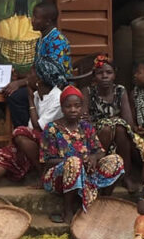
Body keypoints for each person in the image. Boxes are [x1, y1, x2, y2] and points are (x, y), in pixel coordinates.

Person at [41, 85, 125, 223]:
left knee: (116, 160)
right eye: (68, 106)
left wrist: (93, 157)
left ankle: (102, 202)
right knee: (74, 162)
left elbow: (100, 151)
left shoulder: (86, 127)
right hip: (59, 177)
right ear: (62, 108)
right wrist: (76, 161)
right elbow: (48, 160)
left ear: (81, 107)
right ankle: (67, 210)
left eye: (77, 106)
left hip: (86, 172)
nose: (73, 110)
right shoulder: (51, 129)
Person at [4, 2, 72, 130]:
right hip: (41, 85)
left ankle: (27, 134)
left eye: (36, 17)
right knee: (8, 91)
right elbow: (37, 70)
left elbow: (52, 76)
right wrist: (20, 76)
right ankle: (24, 134)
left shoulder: (57, 41)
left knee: (16, 97)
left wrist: (19, 83)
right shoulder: (42, 39)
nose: (32, 20)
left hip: (55, 87)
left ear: (48, 21)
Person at [86, 55, 144, 192]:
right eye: (100, 73)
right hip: (96, 134)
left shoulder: (120, 90)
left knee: (120, 128)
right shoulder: (89, 92)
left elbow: (129, 123)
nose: (104, 76)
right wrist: (106, 123)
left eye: (109, 72)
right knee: (107, 128)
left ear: (114, 75)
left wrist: (113, 122)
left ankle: (126, 176)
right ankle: (96, 173)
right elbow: (85, 121)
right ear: (94, 76)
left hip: (120, 134)